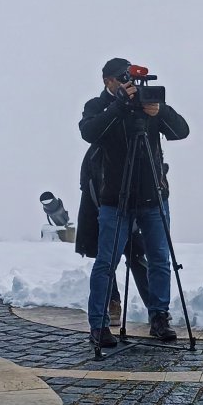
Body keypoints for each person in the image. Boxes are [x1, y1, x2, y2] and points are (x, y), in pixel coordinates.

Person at [79, 58, 189, 345]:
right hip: (116, 199)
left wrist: (159, 111)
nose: (129, 85)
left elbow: (181, 131)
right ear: (108, 81)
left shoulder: (146, 105)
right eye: (121, 79)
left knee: (159, 260)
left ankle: (159, 317)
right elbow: (88, 132)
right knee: (107, 262)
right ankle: (99, 325)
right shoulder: (98, 106)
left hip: (153, 195)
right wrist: (117, 107)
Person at [76, 142, 152, 346]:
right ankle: (112, 307)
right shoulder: (98, 150)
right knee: (109, 262)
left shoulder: (134, 147)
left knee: (134, 259)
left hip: (130, 212)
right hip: (107, 212)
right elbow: (91, 184)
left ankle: (153, 309)